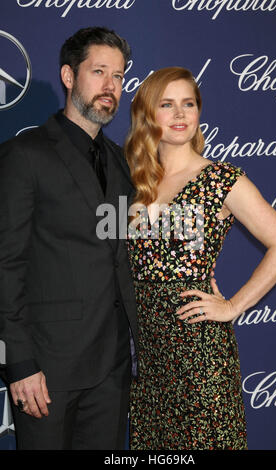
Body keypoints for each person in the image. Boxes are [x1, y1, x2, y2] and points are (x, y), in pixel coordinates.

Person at [125, 66, 276, 450]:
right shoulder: (135, 183)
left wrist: (232, 305)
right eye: (167, 104)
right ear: (148, 114)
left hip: (199, 350)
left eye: (188, 103)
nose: (180, 114)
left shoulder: (221, 178)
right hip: (148, 357)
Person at [0, 27, 138, 450]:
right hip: (47, 371)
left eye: (117, 76)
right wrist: (20, 364)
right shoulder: (25, 155)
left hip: (112, 369)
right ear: (68, 76)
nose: (110, 87)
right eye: (98, 72)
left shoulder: (118, 159)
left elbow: (119, 250)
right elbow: (6, 264)